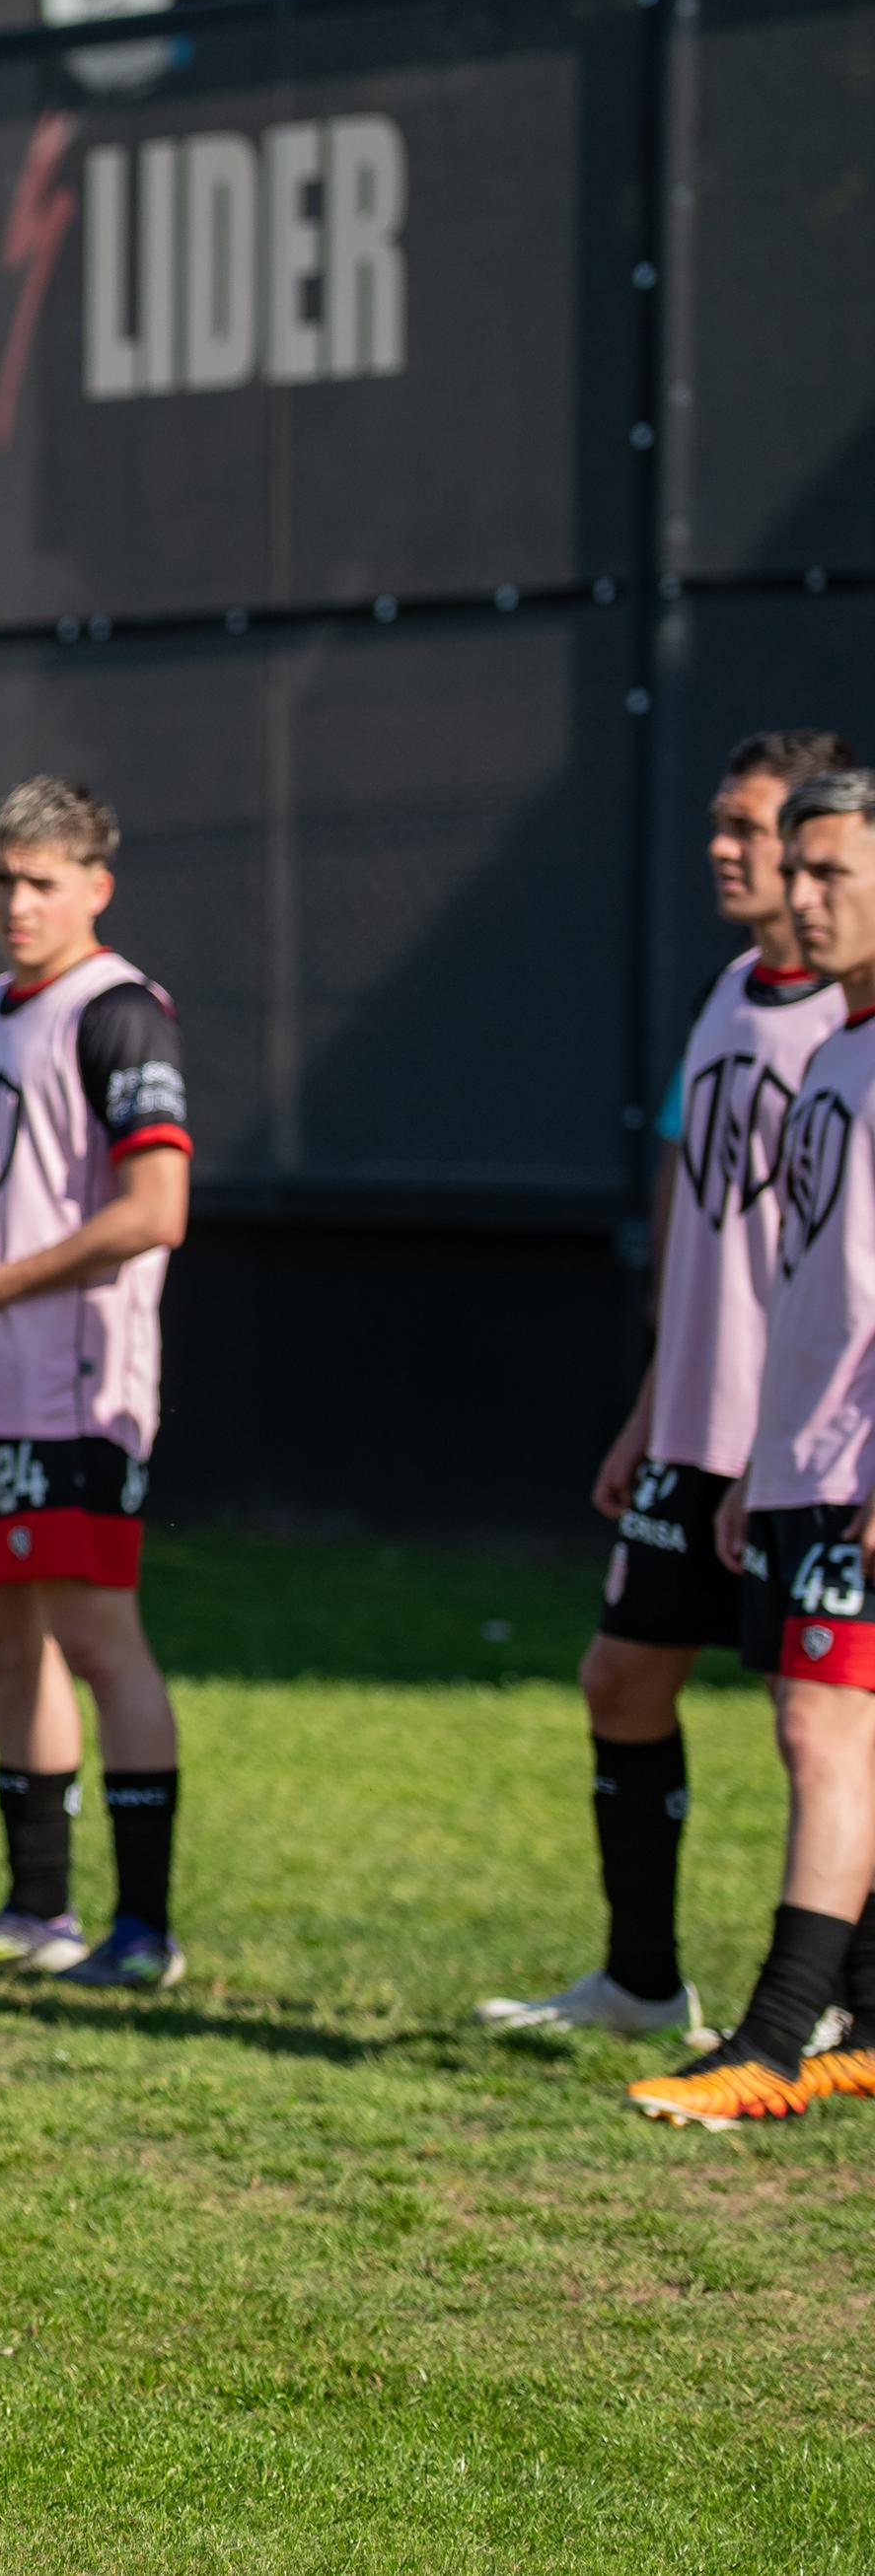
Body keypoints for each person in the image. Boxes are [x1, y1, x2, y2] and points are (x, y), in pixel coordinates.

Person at [484, 731, 857, 2039]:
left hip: (804, 1437)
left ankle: (837, 2006)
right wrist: (651, 1407)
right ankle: (644, 1979)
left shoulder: (849, 1019)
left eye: (754, 832)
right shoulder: (726, 992)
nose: (730, 851)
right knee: (622, 1681)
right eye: (726, 827)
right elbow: (701, 1221)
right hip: (697, 1426)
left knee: (820, 1722)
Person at [0, 778, 193, 1989]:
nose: (17, 904)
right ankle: (36, 1911)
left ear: (95, 887)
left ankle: (145, 1930)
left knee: (94, 1634)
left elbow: (153, 1209)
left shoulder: (116, 1012)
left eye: (43, 882)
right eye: (2, 880)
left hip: (68, 1384)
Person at [668, 769, 875, 2126]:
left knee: (823, 1727)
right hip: (801, 1457)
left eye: (832, 870)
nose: (801, 895)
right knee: (833, 1733)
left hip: (860, 1467)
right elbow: (813, 1274)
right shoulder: (838, 1049)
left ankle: (774, 2041)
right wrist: (757, 1457)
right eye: (792, 867)